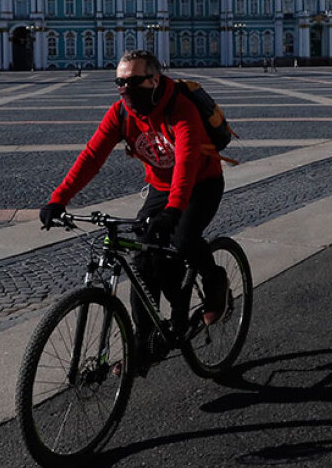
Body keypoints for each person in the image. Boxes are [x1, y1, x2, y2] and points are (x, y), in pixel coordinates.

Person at [39, 49, 228, 374]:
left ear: (154, 79)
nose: (125, 88)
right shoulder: (121, 114)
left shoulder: (179, 108)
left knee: (183, 239)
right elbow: (91, 157)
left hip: (201, 184)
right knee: (143, 261)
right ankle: (143, 344)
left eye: (133, 81)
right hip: (160, 188)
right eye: (120, 81)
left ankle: (215, 281)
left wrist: (173, 211)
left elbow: (185, 164)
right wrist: (59, 199)